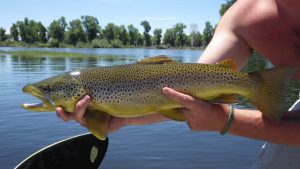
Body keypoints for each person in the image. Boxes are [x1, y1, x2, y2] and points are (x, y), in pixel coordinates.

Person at [56, 0, 300, 168]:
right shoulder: (243, 17)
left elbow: (219, 116)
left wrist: (226, 120)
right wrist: (123, 115)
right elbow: (186, 92)